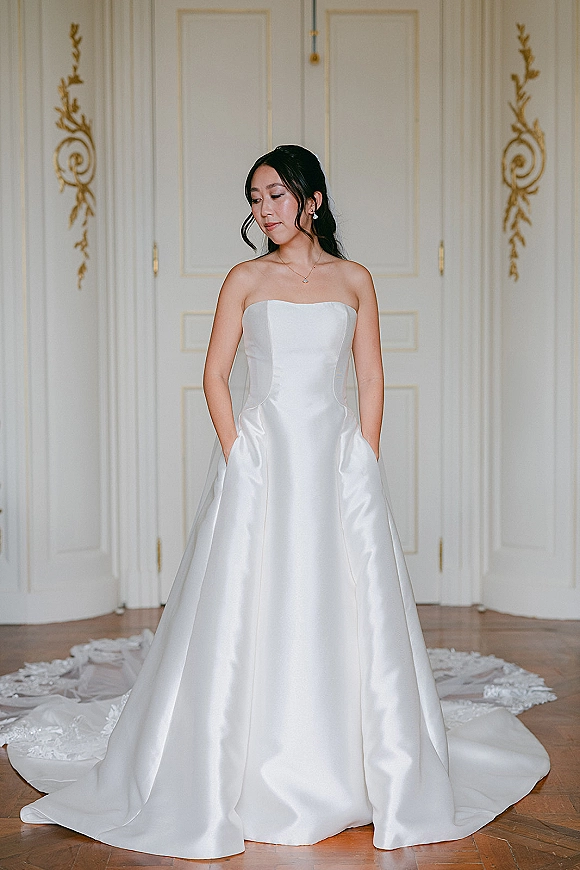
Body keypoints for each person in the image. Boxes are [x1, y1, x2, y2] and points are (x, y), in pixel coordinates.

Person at [15, 145, 549, 860]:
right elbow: (214, 374)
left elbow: (370, 377)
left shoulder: (354, 280)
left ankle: (349, 763)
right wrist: (239, 451)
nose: (263, 210)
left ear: (312, 199)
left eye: (275, 196)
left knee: (343, 604)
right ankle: (238, 766)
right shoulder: (245, 279)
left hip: (335, 460)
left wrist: (365, 454)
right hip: (263, 458)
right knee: (248, 603)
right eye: (255, 199)